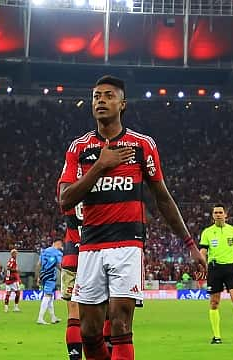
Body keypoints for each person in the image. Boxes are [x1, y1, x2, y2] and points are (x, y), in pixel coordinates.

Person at [58, 75, 206, 359]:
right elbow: (65, 199)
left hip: (128, 245)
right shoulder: (79, 148)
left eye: (109, 96)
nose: (101, 100)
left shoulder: (142, 145)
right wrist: (100, 166)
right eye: (96, 96)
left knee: (119, 323)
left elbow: (162, 198)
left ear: (122, 104)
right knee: (89, 332)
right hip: (90, 246)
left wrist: (189, 244)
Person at [199, 204, 233, 345]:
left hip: (231, 269)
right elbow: (203, 251)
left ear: (226, 215)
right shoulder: (207, 232)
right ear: (212, 215)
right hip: (214, 269)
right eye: (216, 212)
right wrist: (201, 264)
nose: (218, 214)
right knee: (214, 303)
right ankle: (216, 336)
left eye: (221, 212)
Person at [36, 239, 63, 325]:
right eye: (61, 245)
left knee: (50, 297)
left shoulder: (44, 251)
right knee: (47, 296)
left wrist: (38, 277)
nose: (61, 247)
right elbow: (59, 265)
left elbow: (38, 264)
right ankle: (40, 318)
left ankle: (53, 317)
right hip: (50, 276)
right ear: (58, 244)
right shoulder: (57, 253)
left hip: (43, 275)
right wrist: (65, 273)